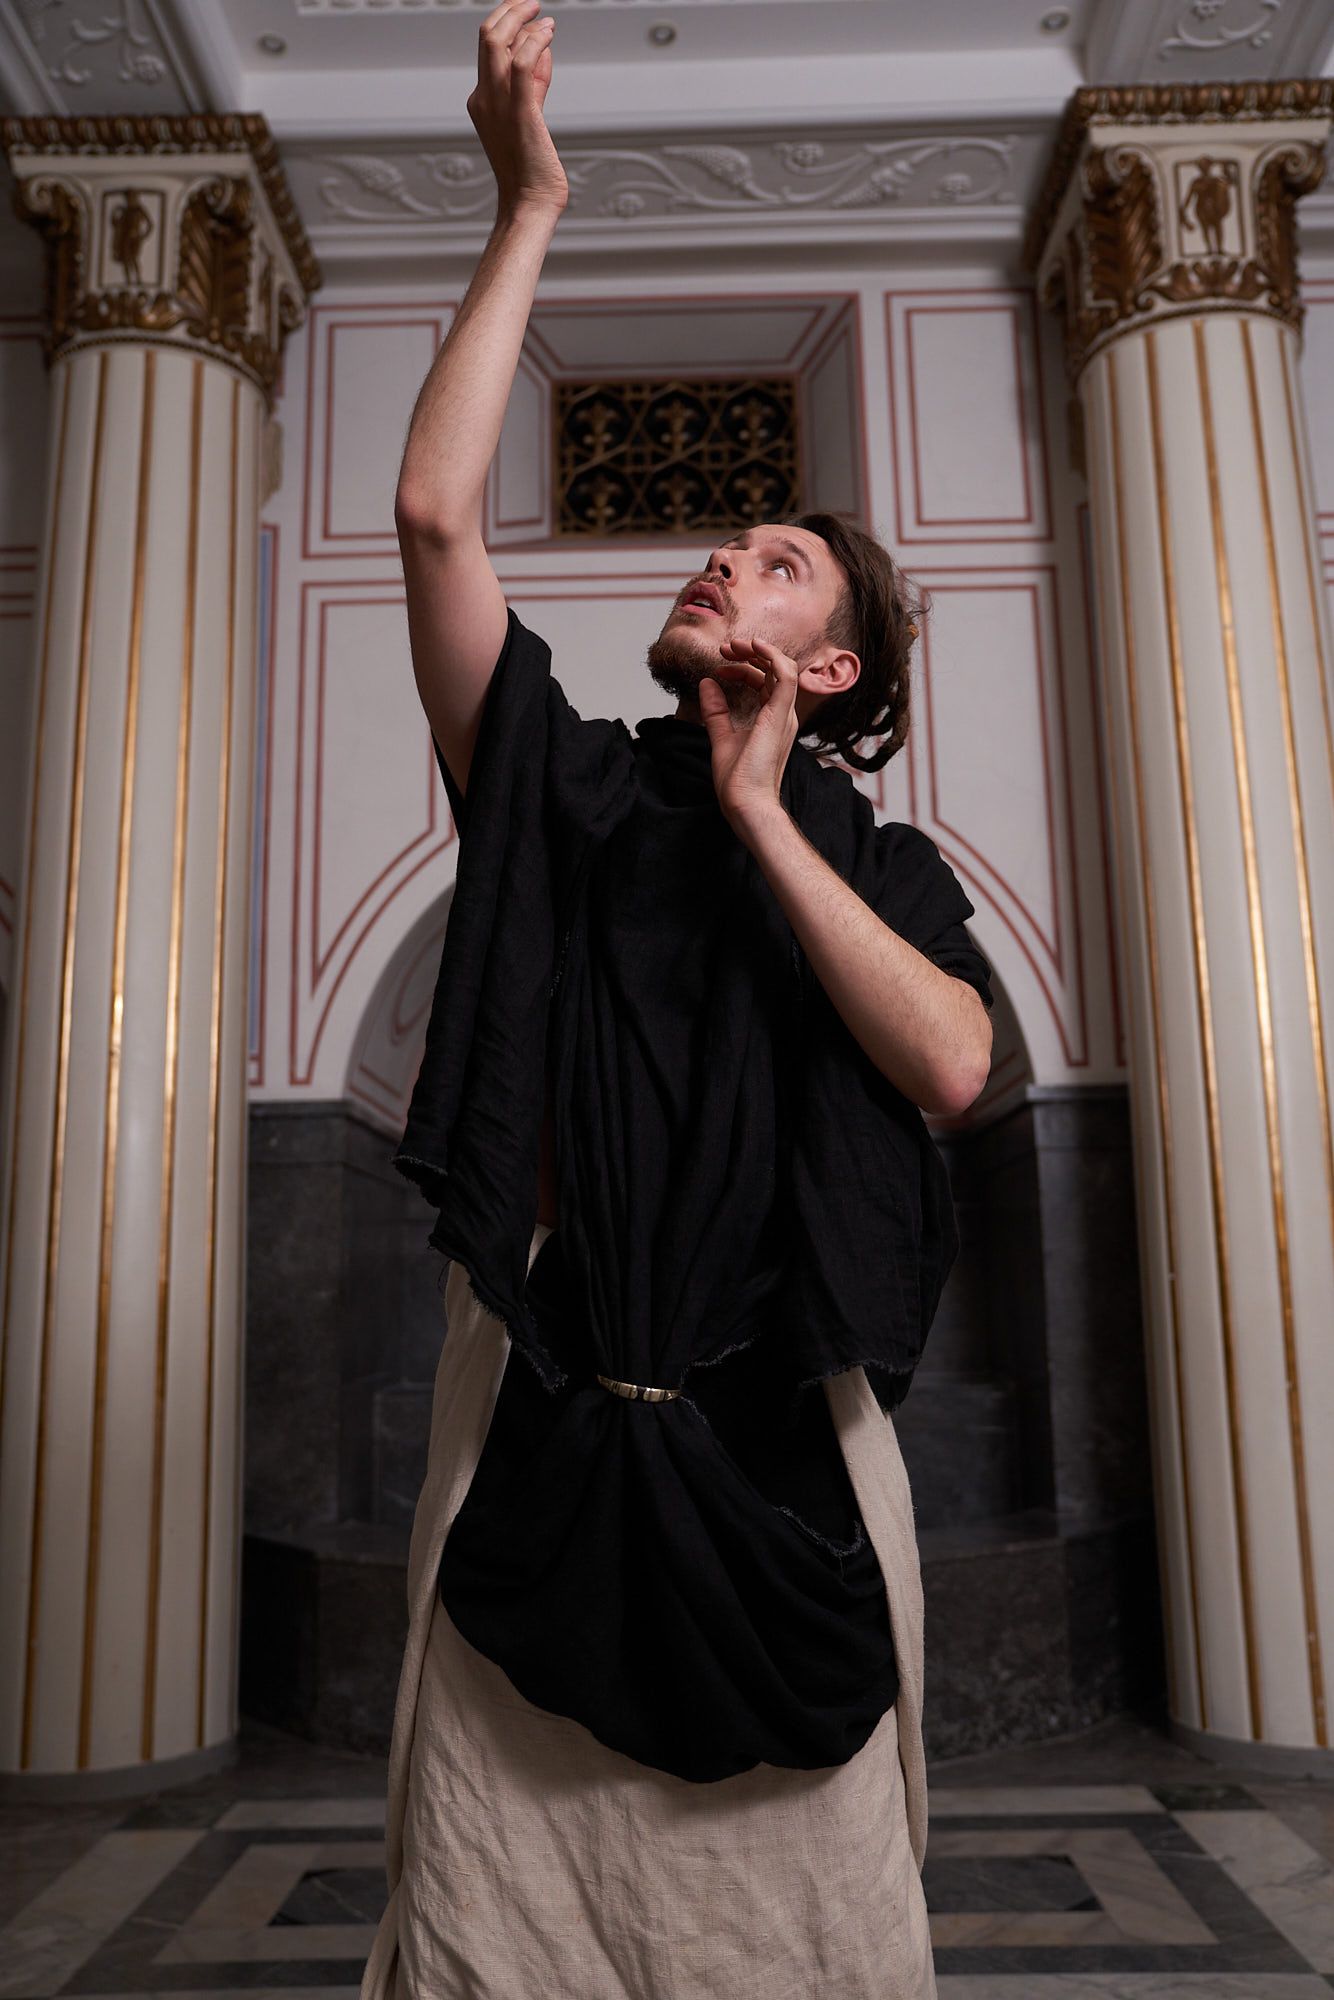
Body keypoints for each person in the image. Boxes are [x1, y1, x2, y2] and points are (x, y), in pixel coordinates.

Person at [360, 4, 993, 1995]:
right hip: (542, 1432)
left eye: (776, 561)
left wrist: (762, 824)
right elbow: (433, 520)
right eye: (729, 541)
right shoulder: (564, 787)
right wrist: (525, 203)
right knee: (492, 1944)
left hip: (785, 1467)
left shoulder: (878, 868)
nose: (724, 555)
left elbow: (950, 1063)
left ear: (831, 669)